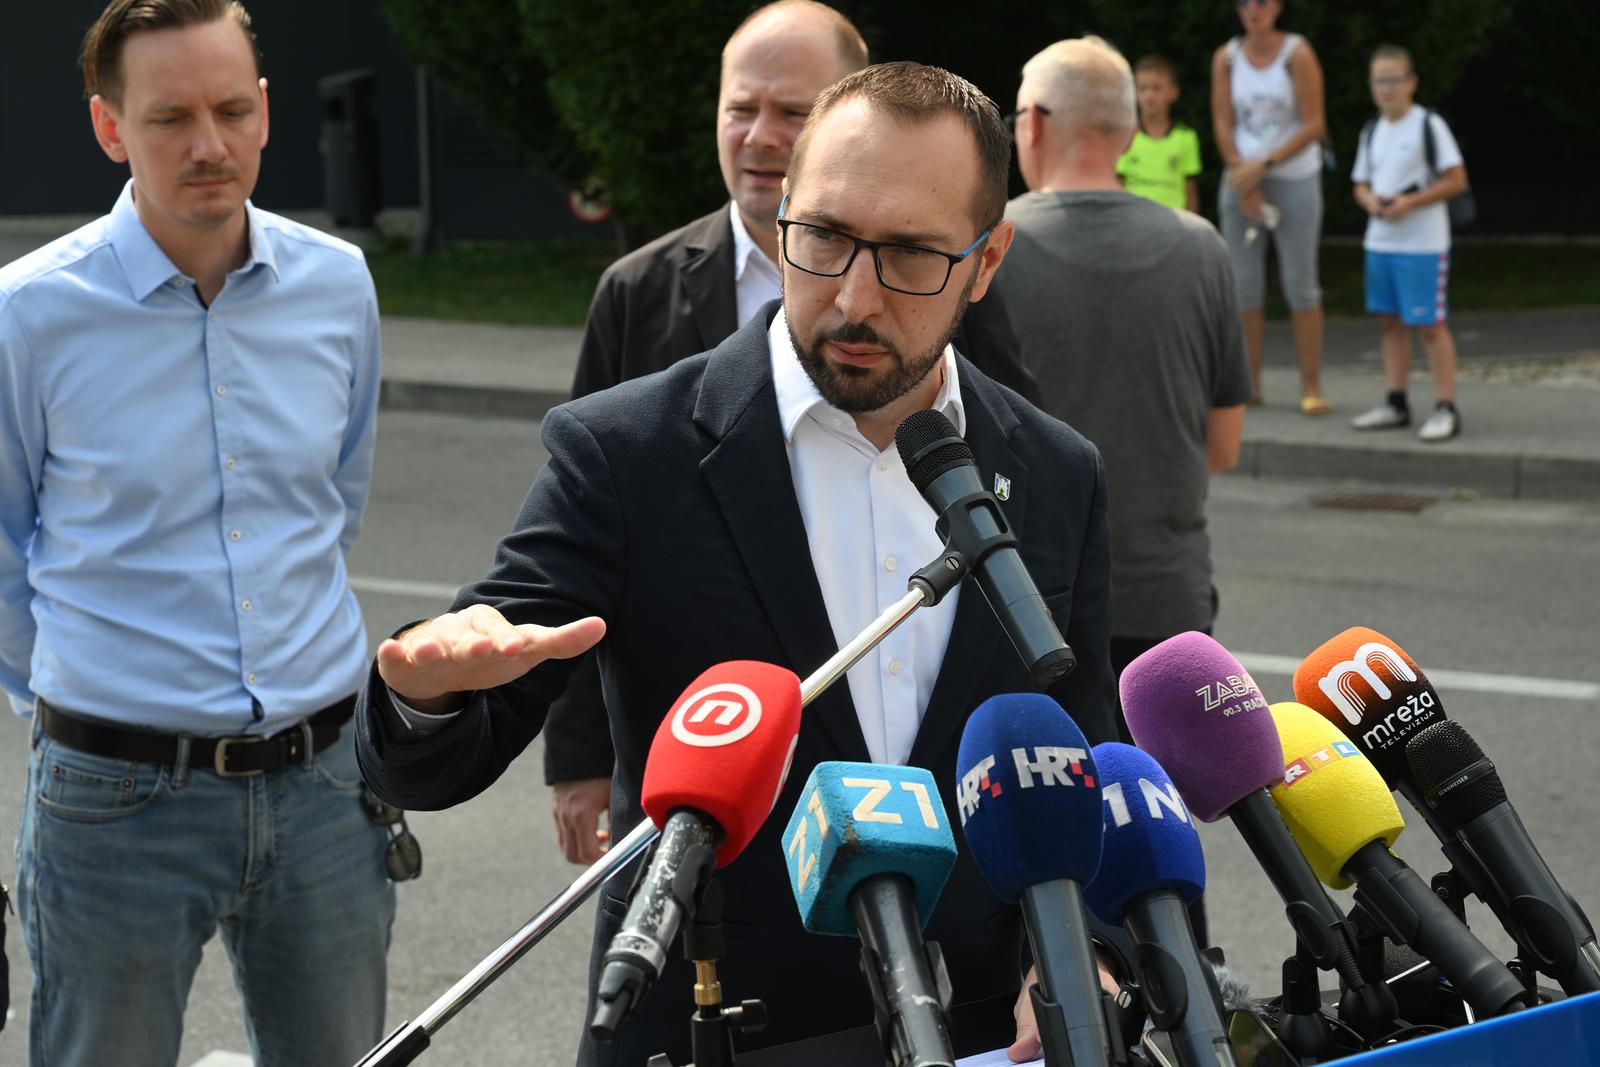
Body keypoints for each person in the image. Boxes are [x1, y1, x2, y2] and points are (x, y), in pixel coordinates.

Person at [355, 62, 1117, 1066]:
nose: (853, 295)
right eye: (825, 236)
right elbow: (443, 747)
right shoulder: (628, 452)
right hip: (712, 1031)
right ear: (778, 217)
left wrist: (1078, 955)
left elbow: (1081, 762)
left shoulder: (1054, 472)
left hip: (981, 1035)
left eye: (911, 256)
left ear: (987, 259)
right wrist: (430, 689)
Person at [547, 0, 1041, 866]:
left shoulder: (971, 336)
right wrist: (580, 755)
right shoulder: (639, 290)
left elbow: (1013, 444)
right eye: (742, 108)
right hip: (719, 848)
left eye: (790, 112)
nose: (857, 300)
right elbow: (582, 574)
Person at [0, 2, 393, 1063]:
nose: (209, 145)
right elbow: (0, 550)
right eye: (171, 116)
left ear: (265, 112)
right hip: (115, 798)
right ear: (108, 127)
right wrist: (95, 698)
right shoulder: (28, 315)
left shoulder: (337, 284)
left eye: (230, 109)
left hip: (326, 782)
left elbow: (332, 501)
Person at [1004, 35, 1248, 717]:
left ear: (1035, 123)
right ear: (1132, 131)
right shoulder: (1203, 248)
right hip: (1168, 603)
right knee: (1155, 820)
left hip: (1027, 609)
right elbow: (1222, 447)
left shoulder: (989, 249)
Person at [1211, 0, 1329, 415]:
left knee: (1301, 283)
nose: (1251, 10)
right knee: (1243, 287)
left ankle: (1311, 386)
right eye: (1243, 3)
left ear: (1277, 7)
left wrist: (1266, 164)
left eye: (1260, 2)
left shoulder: (1297, 52)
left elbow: (1315, 123)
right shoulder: (1226, 57)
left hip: (1293, 176)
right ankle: (1250, 386)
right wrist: (1244, 177)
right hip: (1243, 178)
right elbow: (1224, 123)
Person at [1349, 44, 1469, 442]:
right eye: (1379, 81)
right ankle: (1396, 401)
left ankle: (1445, 407)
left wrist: (1409, 203)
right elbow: (1361, 184)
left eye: (1393, 80)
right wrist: (1373, 203)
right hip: (1381, 242)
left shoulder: (1428, 125)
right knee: (1390, 324)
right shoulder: (1372, 129)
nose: (1386, 88)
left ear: (1411, 83)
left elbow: (1455, 180)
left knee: (1429, 325)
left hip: (1421, 244)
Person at [1116, 54, 1201, 213]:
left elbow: (1191, 190)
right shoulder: (1124, 135)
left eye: (1156, 88)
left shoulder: (1186, 137)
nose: (1149, 95)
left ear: (1173, 92)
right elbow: (1119, 183)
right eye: (1143, 88)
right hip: (1134, 221)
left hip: (1174, 224)